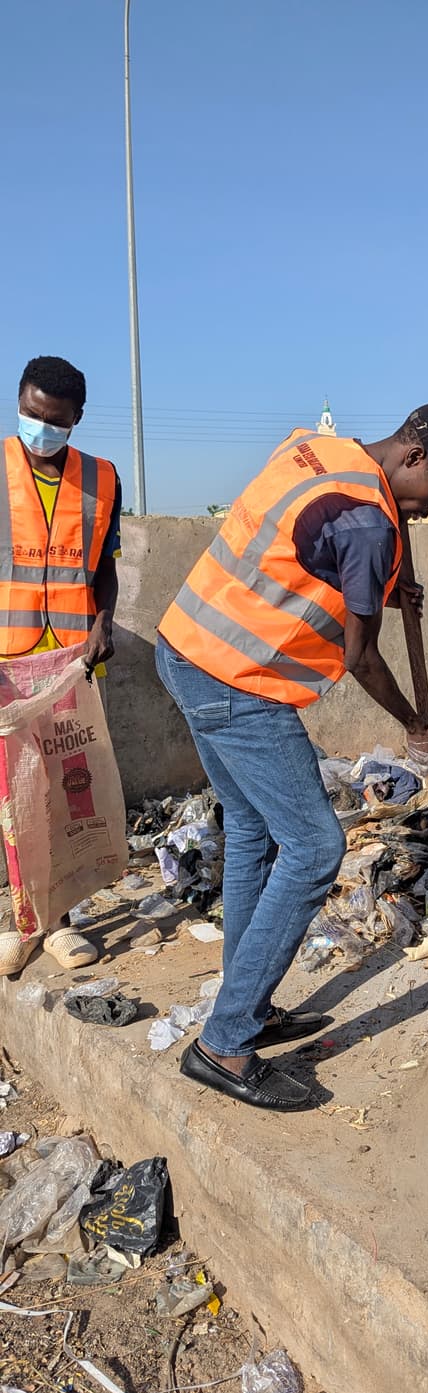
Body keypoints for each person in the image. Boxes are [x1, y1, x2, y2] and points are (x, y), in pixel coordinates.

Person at [156, 400, 428, 1111]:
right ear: (415, 459)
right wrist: (415, 726)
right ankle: (224, 1045)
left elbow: (308, 544)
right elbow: (360, 656)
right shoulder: (371, 522)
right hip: (238, 680)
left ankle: (249, 1003)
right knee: (313, 847)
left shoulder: (318, 448)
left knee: (251, 831)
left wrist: (384, 579)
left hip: (188, 647)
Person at [0, 356, 122, 975]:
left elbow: (104, 569)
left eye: (52, 420)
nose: (38, 427)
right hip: (7, 667)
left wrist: (104, 622)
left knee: (72, 796)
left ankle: (64, 918)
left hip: (72, 666)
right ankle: (23, 923)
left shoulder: (102, 478)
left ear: (75, 419)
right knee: (15, 798)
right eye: (28, 413)